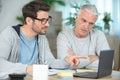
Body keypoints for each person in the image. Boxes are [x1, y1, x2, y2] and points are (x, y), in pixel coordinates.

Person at [0, 1, 80, 76]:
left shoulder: (41, 38)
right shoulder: (9, 34)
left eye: (48, 20)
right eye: (43, 20)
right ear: (29, 20)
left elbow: (49, 61)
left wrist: (66, 61)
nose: (47, 24)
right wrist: (26, 69)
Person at [57, 4, 110, 70]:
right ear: (76, 18)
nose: (86, 26)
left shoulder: (99, 35)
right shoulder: (64, 36)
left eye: (91, 23)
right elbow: (65, 64)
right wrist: (92, 58)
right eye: (84, 20)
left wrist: (78, 62)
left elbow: (108, 64)